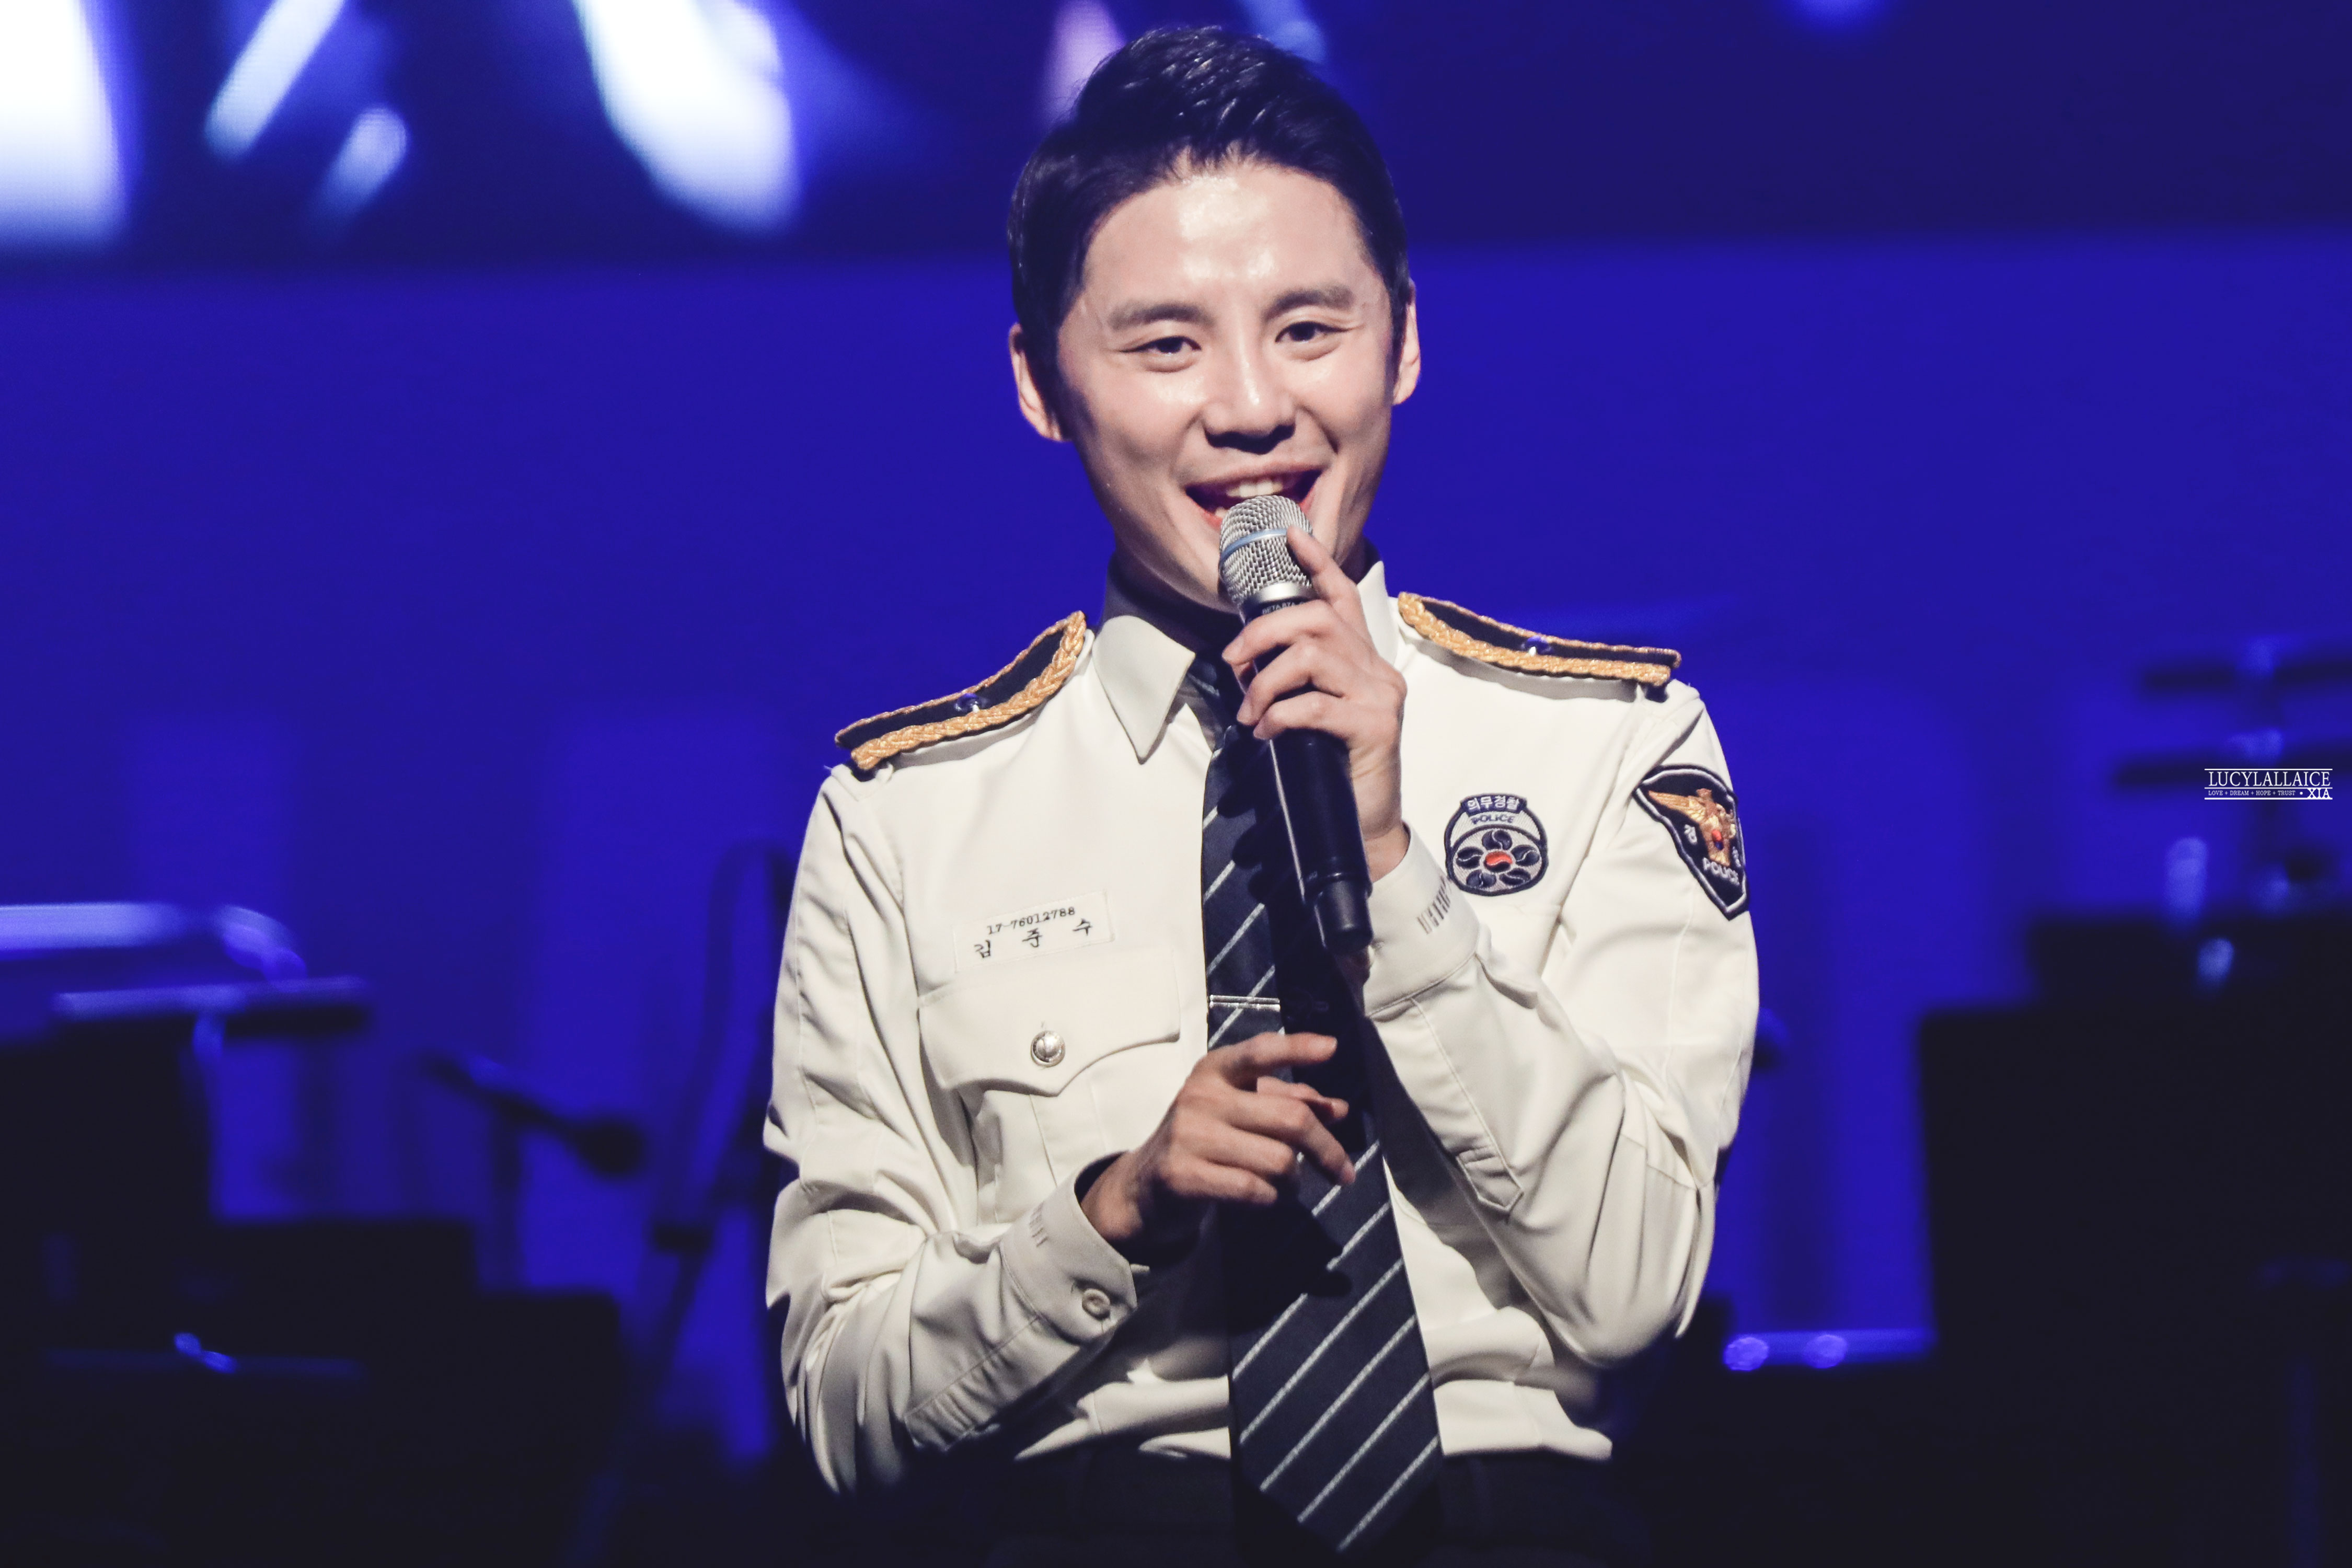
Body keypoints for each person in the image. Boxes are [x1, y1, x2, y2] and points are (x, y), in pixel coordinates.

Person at [767, 27, 1757, 1567]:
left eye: (1307, 329)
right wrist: (1115, 1211)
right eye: (1165, 347)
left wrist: (1395, 872)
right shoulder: (907, 820)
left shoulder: (1610, 744)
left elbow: (1637, 1288)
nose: (1249, 408)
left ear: (1403, 342)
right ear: (1041, 385)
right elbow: (842, 1408)